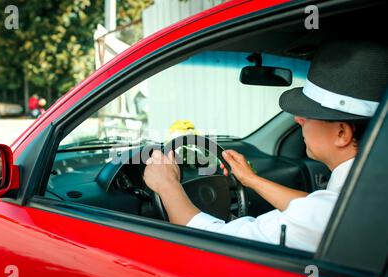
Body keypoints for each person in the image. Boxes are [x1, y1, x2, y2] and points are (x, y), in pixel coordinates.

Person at [143, 40, 388, 252]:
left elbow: (212, 240)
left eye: (308, 115)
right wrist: (251, 180)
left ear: (342, 133)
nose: (297, 119)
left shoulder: (325, 215)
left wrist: (167, 185)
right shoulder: (360, 196)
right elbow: (315, 208)